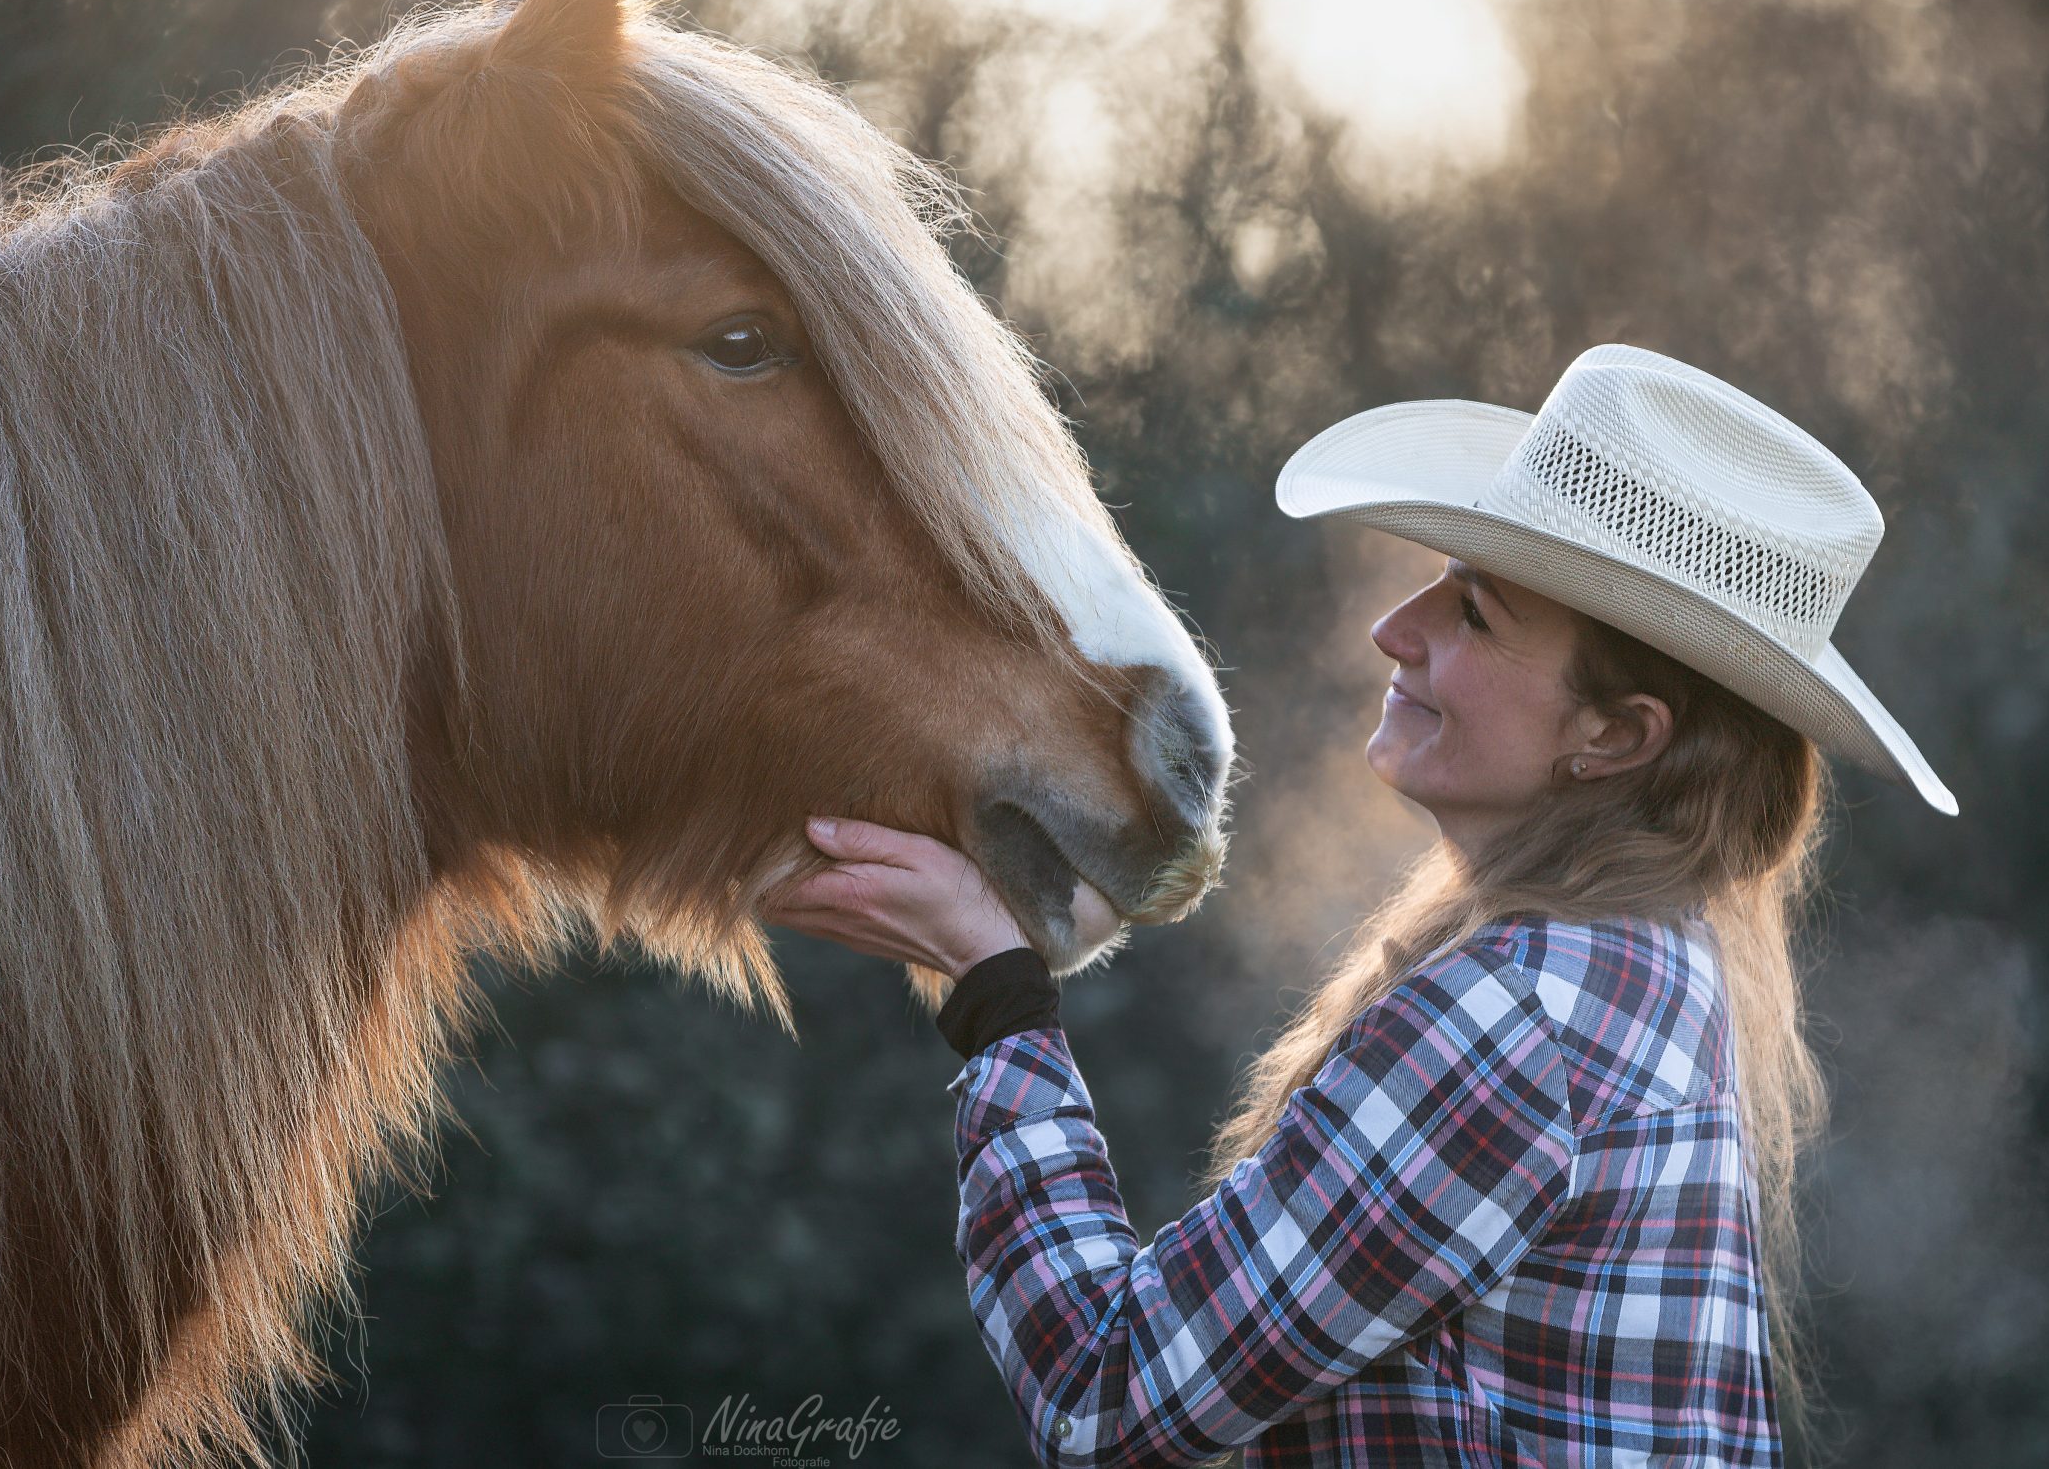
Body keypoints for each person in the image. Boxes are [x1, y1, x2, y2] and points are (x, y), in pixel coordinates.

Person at [766, 344, 1957, 1466]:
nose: (1396, 629)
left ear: (1616, 734)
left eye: (1474, 613)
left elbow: (1104, 1393)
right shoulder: (1648, 958)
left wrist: (996, 995)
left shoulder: (1515, 1020)